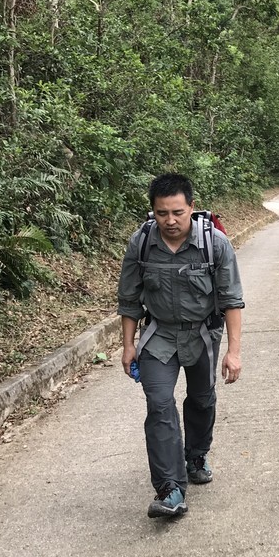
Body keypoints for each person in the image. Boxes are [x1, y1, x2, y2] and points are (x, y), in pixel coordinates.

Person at [117, 173, 244, 519]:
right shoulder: (141, 245)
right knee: (159, 405)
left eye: (177, 212)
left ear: (191, 207)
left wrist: (234, 351)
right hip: (159, 335)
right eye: (161, 214)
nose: (170, 221)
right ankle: (170, 488)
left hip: (202, 334)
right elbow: (129, 301)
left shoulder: (214, 244)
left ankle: (196, 456)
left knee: (201, 399)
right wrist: (128, 345)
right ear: (152, 212)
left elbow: (232, 300)